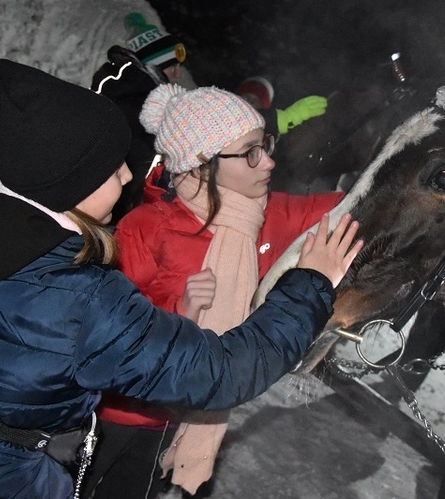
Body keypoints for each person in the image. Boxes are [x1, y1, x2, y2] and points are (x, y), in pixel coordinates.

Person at [0, 59, 362, 499]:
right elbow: (218, 372)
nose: (131, 174)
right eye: (114, 169)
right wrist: (310, 285)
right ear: (73, 182)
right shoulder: (81, 295)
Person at [84, 84, 346, 498]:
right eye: (251, 151)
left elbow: (358, 206)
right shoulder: (148, 227)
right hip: (115, 419)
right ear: (202, 166)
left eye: (266, 145)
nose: (270, 161)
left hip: (179, 423)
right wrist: (178, 313)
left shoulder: (271, 214)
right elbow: (101, 329)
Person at [91, 12, 329, 223]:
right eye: (171, 65)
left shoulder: (126, 90)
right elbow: (213, 127)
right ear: (154, 66)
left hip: (134, 209)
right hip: (133, 212)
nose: (176, 73)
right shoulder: (137, 99)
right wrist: (281, 118)